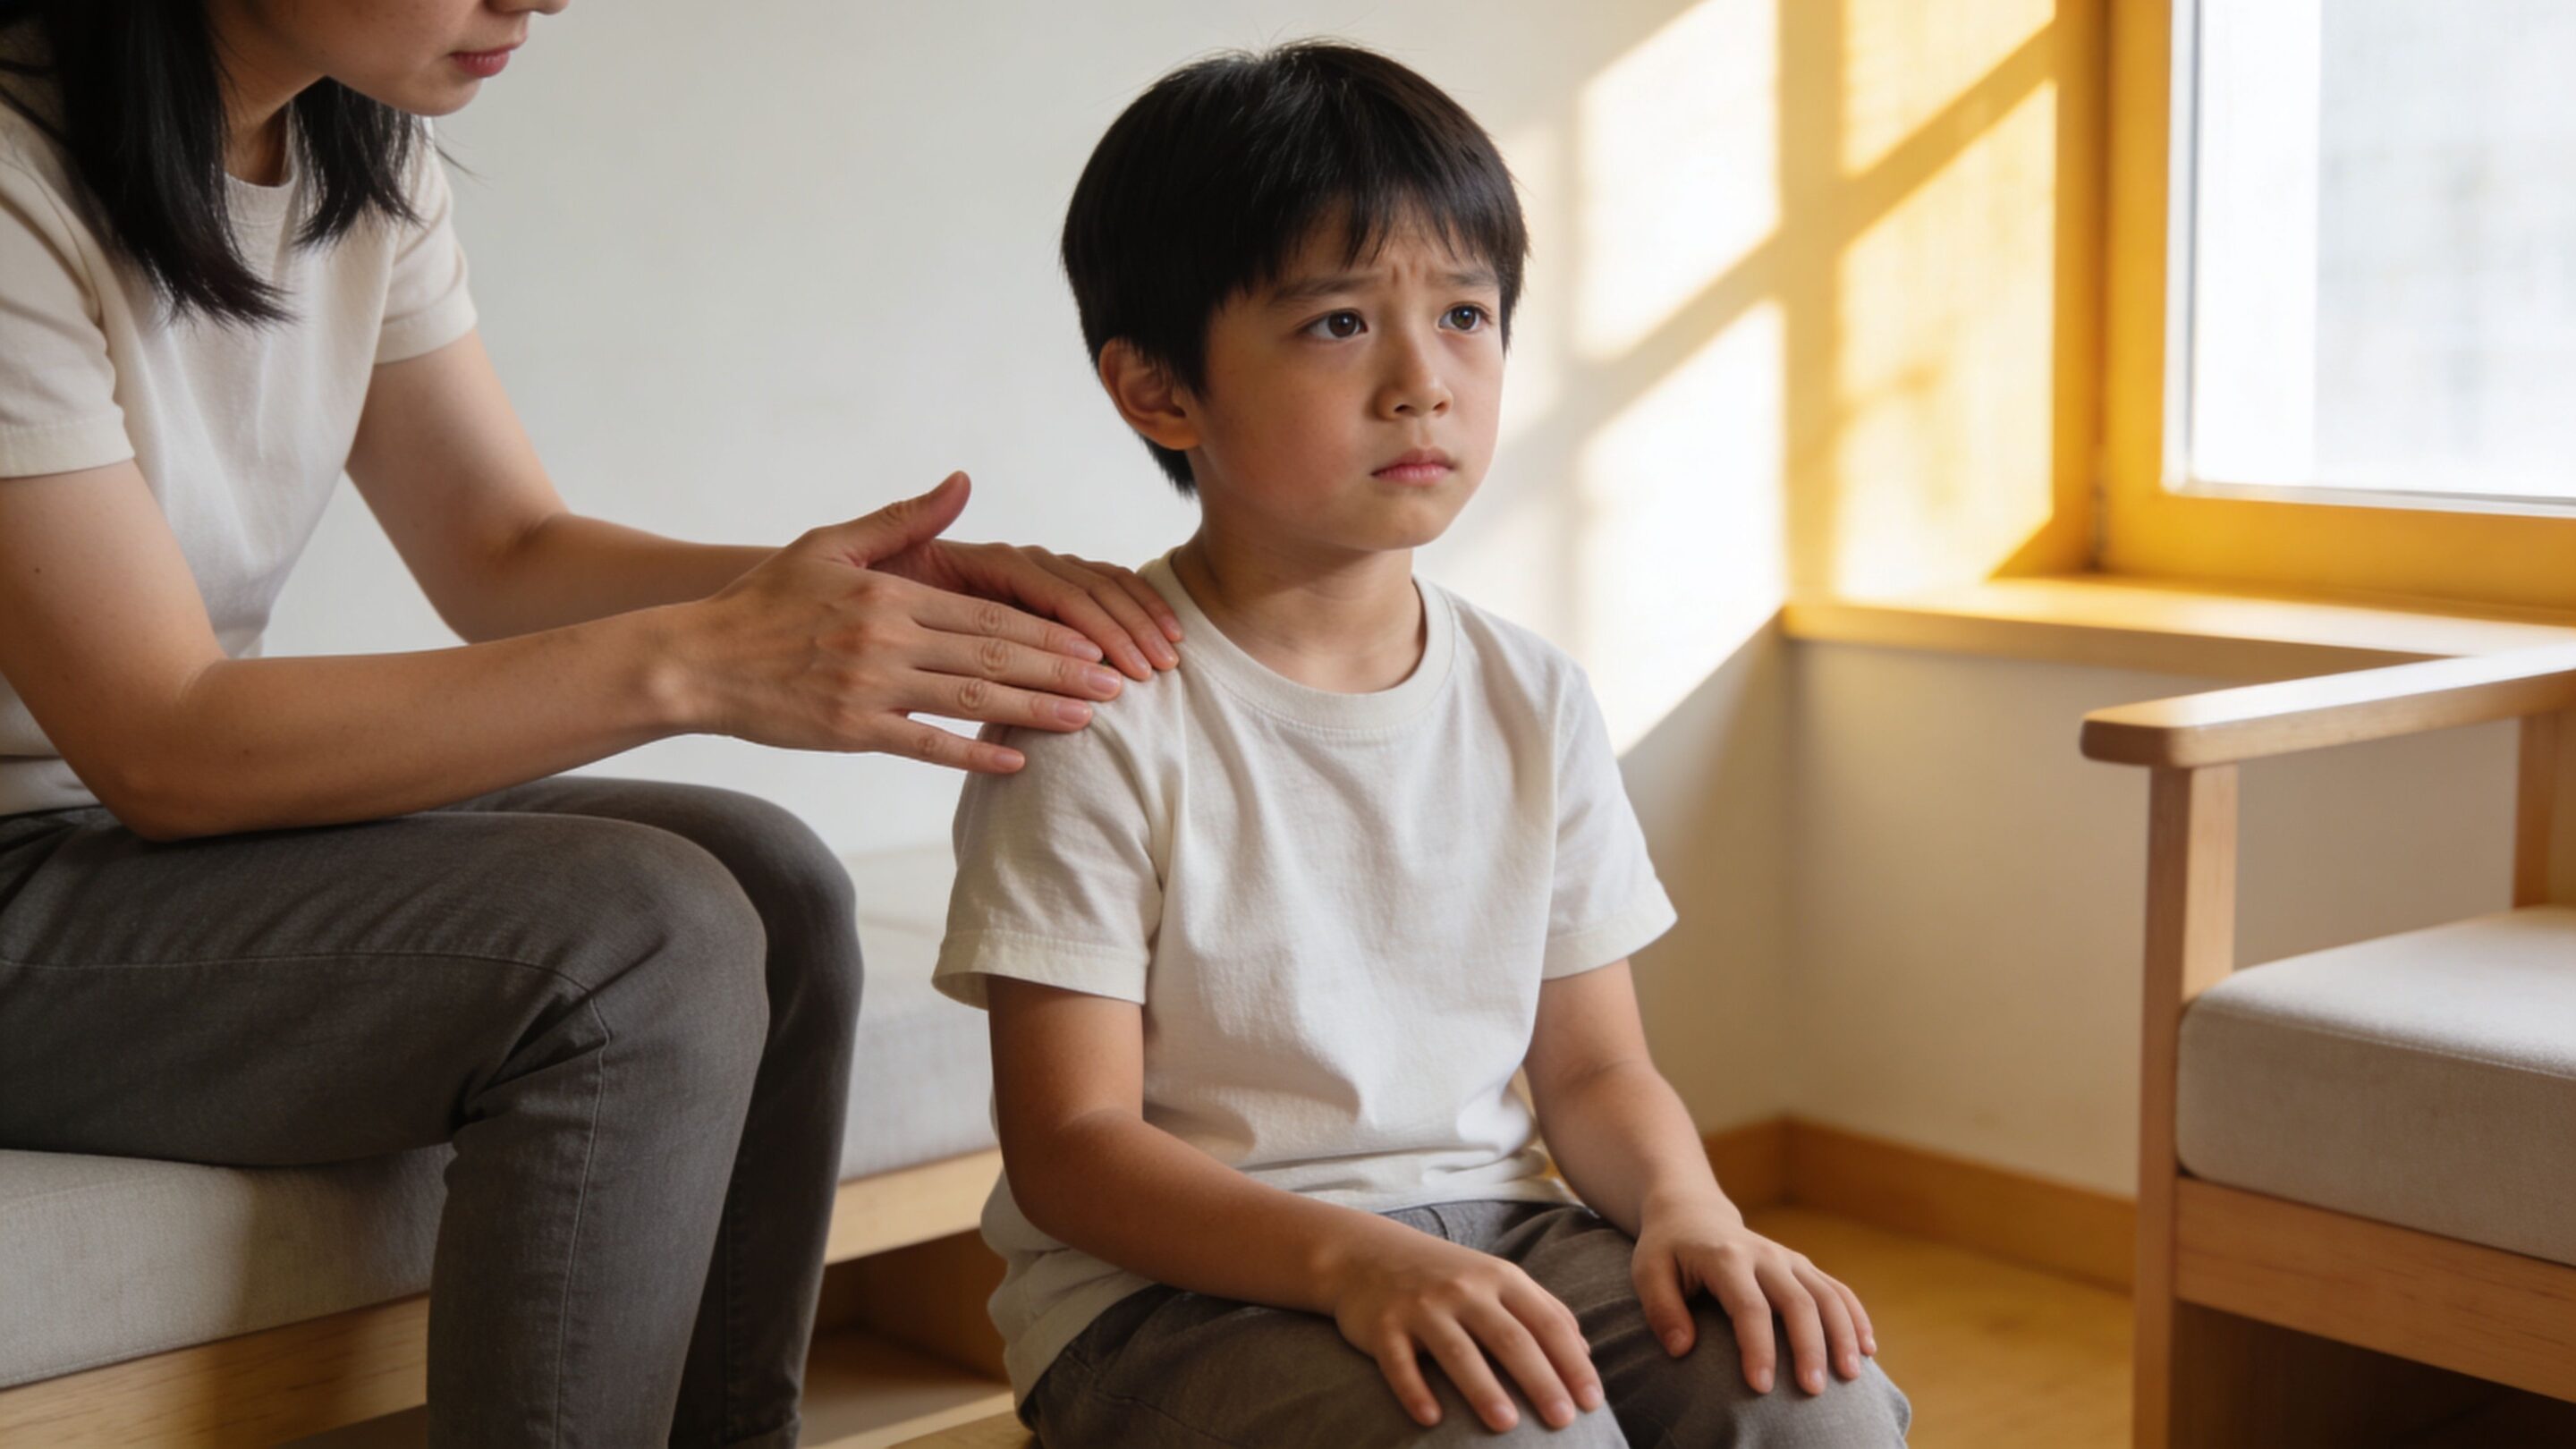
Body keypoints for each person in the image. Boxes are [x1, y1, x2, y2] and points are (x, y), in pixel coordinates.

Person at [0, 2, 1181, 1444]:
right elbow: (167, 743)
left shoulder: (353, 145)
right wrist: (704, 664)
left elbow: (504, 551)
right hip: (55, 862)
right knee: (642, 934)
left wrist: (839, 595)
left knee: (777, 886)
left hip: (114, 851)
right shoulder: (15, 171)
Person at [931, 42, 1914, 1446]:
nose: (1424, 381)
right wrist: (1355, 1258)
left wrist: (1697, 1212)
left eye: (1466, 312)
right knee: (1512, 1436)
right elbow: (1075, 1154)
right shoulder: (1098, 704)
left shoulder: (1534, 696)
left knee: (1813, 1406)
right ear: (1160, 391)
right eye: (1338, 324)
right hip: (1171, 1294)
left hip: (1505, 1232)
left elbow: (1592, 1075)